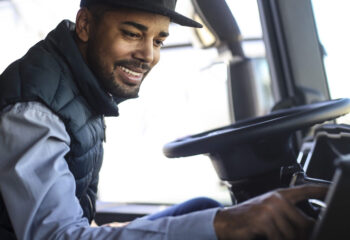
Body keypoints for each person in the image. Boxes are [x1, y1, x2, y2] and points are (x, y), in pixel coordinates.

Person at [0, 0, 327, 239]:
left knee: (202, 207)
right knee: (215, 219)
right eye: (132, 34)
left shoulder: (76, 82)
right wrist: (225, 224)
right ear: (84, 25)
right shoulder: (34, 109)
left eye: (158, 41)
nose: (149, 55)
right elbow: (54, 236)